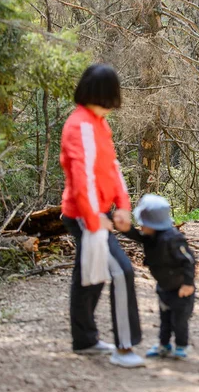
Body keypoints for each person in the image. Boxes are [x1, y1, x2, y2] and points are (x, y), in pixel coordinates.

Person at [60, 64, 143, 368]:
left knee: (90, 277)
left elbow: (112, 168)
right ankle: (124, 347)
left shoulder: (99, 122)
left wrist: (122, 205)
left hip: (97, 211)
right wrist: (96, 219)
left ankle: (84, 341)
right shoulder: (79, 125)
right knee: (121, 272)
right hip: (84, 214)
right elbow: (82, 180)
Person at [115, 194, 196, 359]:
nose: (141, 227)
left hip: (180, 289)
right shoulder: (152, 236)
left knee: (179, 321)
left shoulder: (173, 239)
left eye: (143, 223)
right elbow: (139, 237)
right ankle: (163, 345)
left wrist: (188, 283)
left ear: (153, 224)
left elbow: (189, 261)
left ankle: (181, 346)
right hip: (164, 287)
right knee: (165, 319)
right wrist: (126, 229)